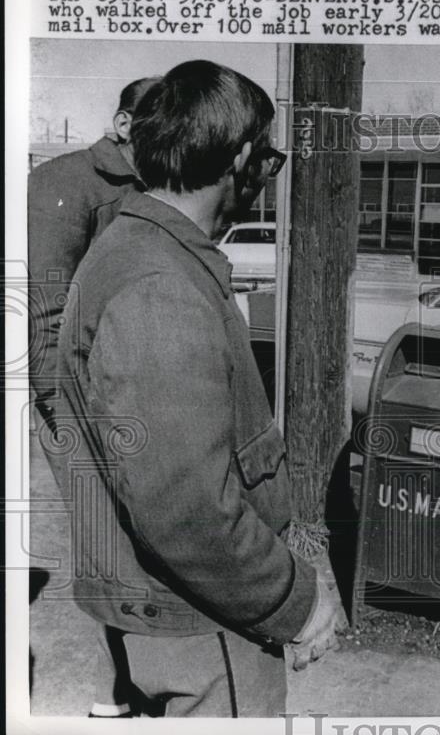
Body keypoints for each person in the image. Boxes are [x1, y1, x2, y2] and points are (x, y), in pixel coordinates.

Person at [53, 60, 338, 717]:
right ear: (239, 158)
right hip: (202, 625)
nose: (265, 177)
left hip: (176, 610)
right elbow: (188, 511)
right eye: (267, 160)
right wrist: (292, 601)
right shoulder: (159, 286)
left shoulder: (138, 245)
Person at [28, 75, 159, 718]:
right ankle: (114, 690)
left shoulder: (153, 185)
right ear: (123, 123)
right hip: (79, 404)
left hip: (138, 391)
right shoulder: (62, 182)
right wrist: (68, 416)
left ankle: (151, 678)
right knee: (104, 537)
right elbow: (42, 314)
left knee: (147, 529)